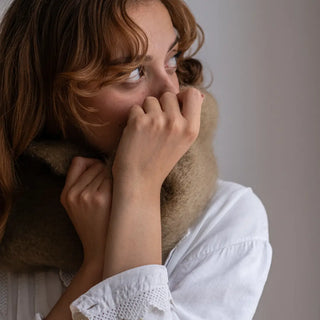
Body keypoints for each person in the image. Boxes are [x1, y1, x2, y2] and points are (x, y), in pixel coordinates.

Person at [0, 0, 272, 319]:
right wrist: (95, 266)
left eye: (172, 58)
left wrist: (138, 193)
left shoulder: (226, 220)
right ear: (46, 90)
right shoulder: (9, 209)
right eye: (132, 72)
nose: (170, 91)